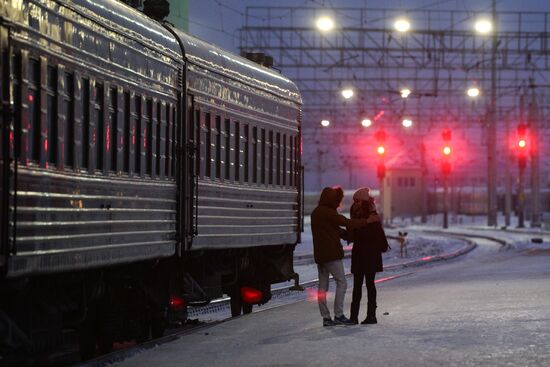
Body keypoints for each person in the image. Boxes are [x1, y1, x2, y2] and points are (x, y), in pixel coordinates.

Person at [310, 186, 378, 327]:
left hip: (320, 256)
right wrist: (367, 221)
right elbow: (346, 223)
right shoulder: (328, 212)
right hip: (331, 255)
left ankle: (326, 318)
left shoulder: (316, 213)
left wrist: (347, 235)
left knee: (322, 287)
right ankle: (339, 315)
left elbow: (335, 229)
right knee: (342, 283)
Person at [349, 187, 389, 325]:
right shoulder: (369, 215)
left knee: (362, 286)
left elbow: (363, 236)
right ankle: (363, 316)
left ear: (362, 201)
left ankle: (363, 316)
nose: (355, 204)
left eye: (357, 201)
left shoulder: (368, 218)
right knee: (366, 285)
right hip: (367, 255)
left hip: (366, 254)